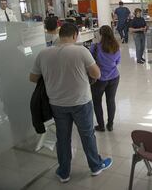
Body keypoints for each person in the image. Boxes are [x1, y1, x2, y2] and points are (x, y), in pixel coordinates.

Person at [29, 23, 112, 183]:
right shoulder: (81, 51)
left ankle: (64, 172)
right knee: (87, 134)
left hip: (57, 103)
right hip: (81, 101)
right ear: (75, 35)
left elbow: (33, 78)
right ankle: (95, 166)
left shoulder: (44, 53)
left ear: (60, 35)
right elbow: (97, 73)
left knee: (63, 137)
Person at [90, 25, 121, 132]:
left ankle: (101, 125)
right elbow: (117, 62)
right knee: (111, 100)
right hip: (114, 77)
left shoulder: (95, 47)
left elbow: (90, 63)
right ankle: (110, 125)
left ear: (101, 35)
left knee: (97, 102)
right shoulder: (116, 46)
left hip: (98, 79)